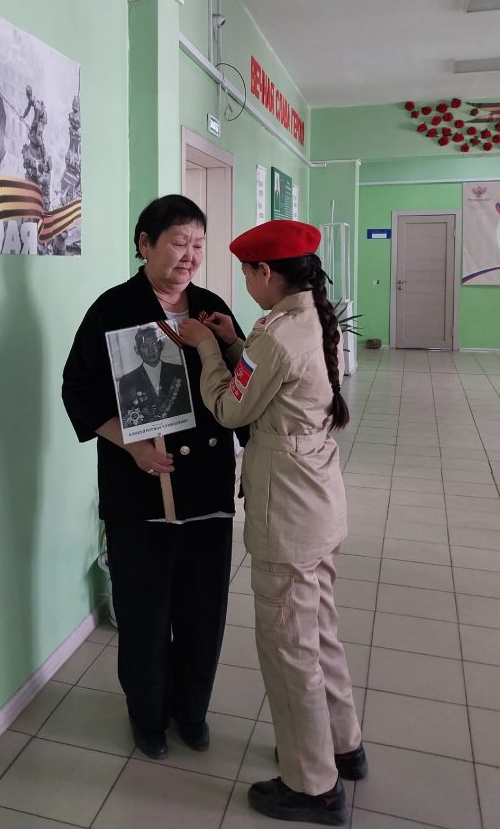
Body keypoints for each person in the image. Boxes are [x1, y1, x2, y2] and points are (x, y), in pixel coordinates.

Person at [177, 219, 365, 827]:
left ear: (265, 272)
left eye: (247, 275)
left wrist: (206, 349)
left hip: (287, 511)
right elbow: (276, 387)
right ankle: (343, 745)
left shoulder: (277, 336)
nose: (246, 286)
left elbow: (231, 408)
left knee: (289, 648)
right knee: (320, 628)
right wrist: (236, 343)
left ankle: (313, 786)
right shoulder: (309, 320)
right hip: (318, 502)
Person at [62, 195, 247, 760]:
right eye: (178, 243)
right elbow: (78, 390)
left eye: (198, 245)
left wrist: (229, 342)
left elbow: (245, 388)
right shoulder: (113, 309)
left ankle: (191, 711)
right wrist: (133, 445)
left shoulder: (211, 308)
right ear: (145, 243)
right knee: (144, 611)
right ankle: (146, 716)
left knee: (202, 609)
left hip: (207, 486)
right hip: (139, 487)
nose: (190, 256)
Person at [117, 325, 191, 428]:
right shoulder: (127, 381)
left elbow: (187, 408)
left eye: (154, 344)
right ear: (137, 350)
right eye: (145, 346)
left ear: (162, 345)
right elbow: (127, 419)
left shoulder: (180, 371)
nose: (151, 350)